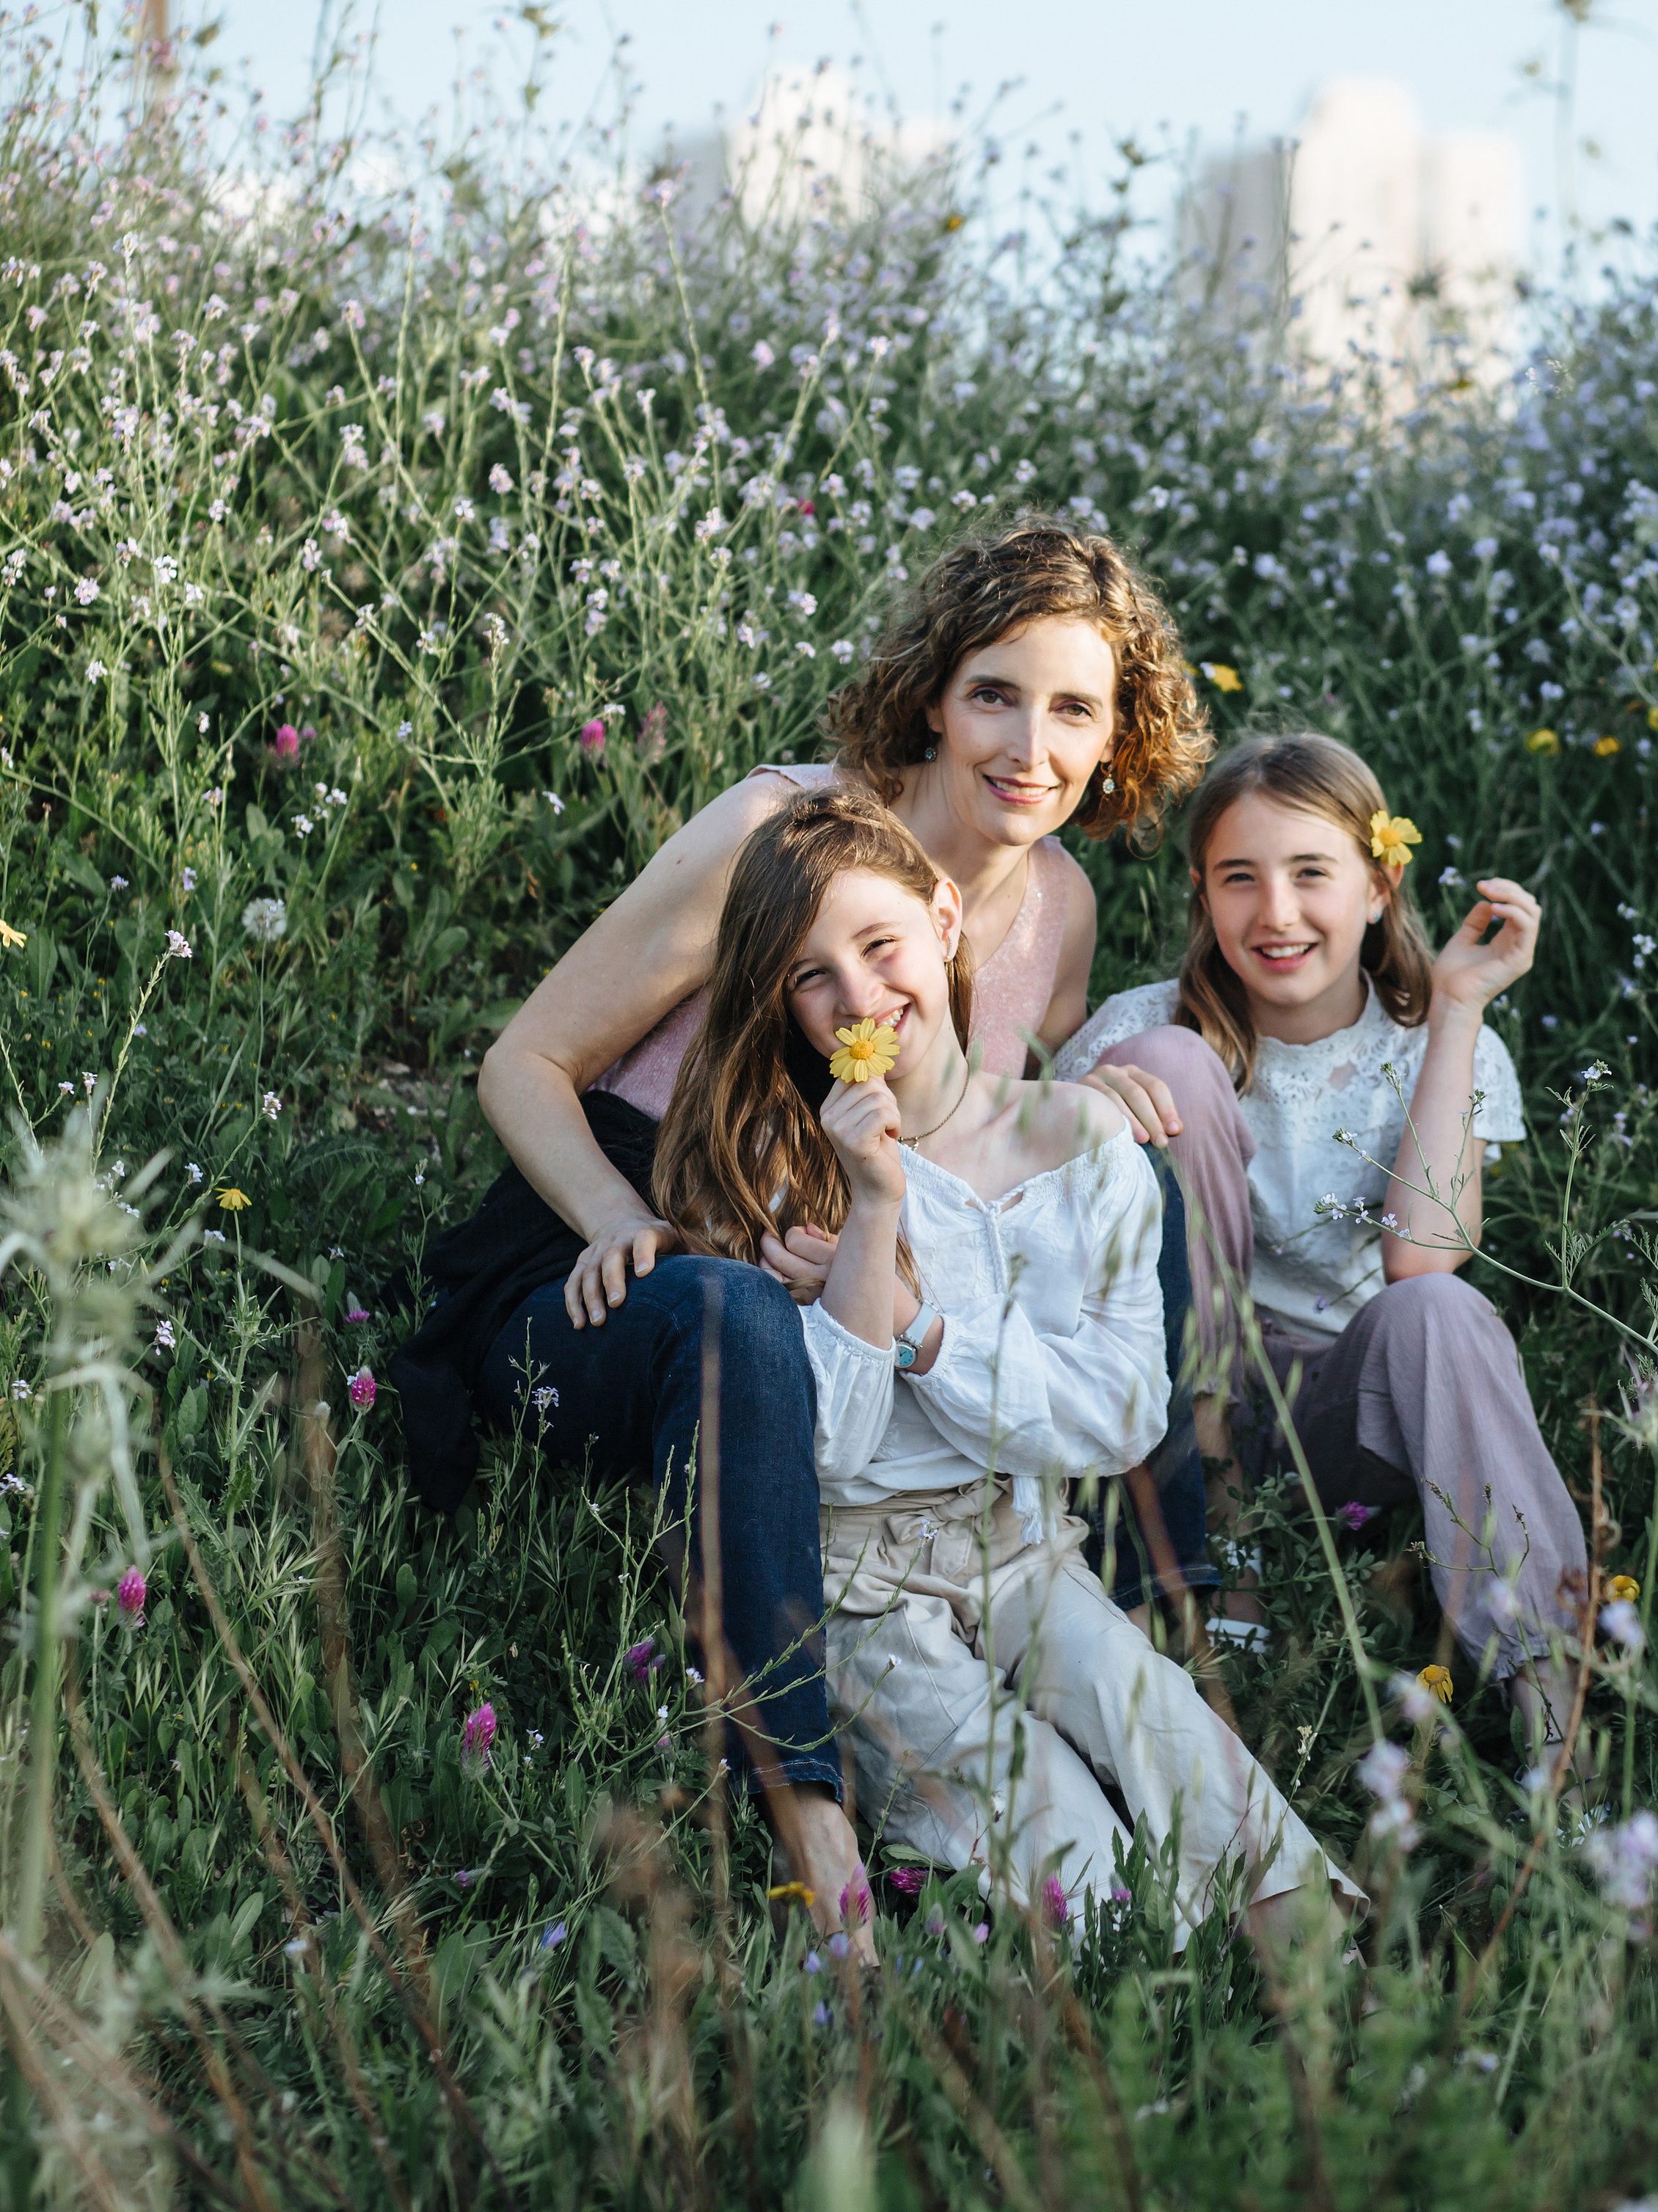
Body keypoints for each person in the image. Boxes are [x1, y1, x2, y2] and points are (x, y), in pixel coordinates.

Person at [390, 522, 1211, 1951]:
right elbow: (522, 1062)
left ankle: (1162, 1635)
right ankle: (806, 1823)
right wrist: (625, 1223)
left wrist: (1085, 1114)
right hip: (625, 1242)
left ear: (1116, 734)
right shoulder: (777, 832)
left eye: (1073, 709)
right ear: (932, 697)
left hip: (834, 1281)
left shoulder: (1060, 913)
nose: (1029, 747)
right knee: (735, 1317)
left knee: (1140, 1164)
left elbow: (973, 1161)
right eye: (993, 695)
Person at [654, 784, 1362, 1945]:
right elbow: (822, 1445)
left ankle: (1334, 1999)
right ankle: (1141, 2010)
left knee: (1180, 1746)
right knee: (1071, 1860)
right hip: (865, 1594)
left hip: (1024, 1553)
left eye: (879, 946)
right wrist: (874, 1212)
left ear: (943, 919)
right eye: (809, 977)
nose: (858, 1000)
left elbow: (1125, 1412)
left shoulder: (1081, 1141)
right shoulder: (785, 1176)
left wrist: (924, 1330)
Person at [1056, 731, 1591, 1760]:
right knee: (1169, 1060)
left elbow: (1423, 1259)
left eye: (1312, 874)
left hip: (1343, 1423)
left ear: (1380, 886)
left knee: (1441, 1310)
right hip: (1163, 1405)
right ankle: (1219, 1532)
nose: (1278, 914)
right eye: (1238, 878)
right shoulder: (1140, 1028)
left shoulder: (1428, 1043)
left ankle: (1553, 1709)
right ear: (1204, 898)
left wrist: (1458, 1011)